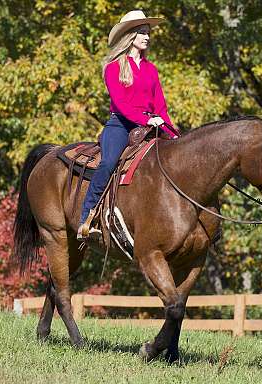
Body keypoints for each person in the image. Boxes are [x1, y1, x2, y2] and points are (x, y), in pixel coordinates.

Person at [77, 10, 178, 239]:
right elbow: (121, 104)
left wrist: (172, 133)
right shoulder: (114, 67)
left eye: (148, 32)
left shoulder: (151, 69)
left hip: (151, 123)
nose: (147, 37)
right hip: (120, 125)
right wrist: (146, 119)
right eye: (142, 32)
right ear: (130, 35)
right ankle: (87, 218)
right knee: (109, 162)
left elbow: (160, 107)